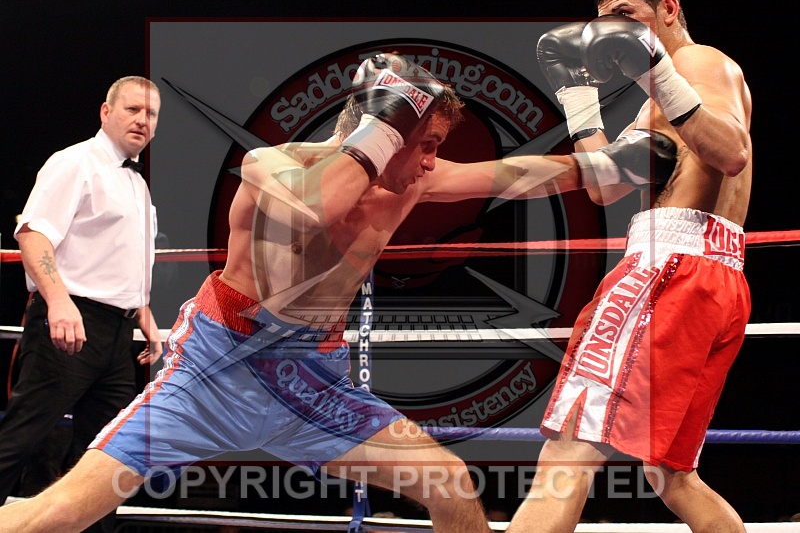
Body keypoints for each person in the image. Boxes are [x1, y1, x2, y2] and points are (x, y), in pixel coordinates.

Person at [0, 53, 676, 533]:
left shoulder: (414, 180)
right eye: (423, 142)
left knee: (451, 485)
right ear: (379, 130)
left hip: (312, 379)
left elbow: (517, 174)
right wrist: (383, 127)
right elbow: (313, 209)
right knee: (56, 516)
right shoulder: (270, 165)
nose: (433, 160)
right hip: (214, 370)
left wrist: (617, 160)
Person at [507, 0, 752, 532]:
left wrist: (659, 68)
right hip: (712, 273)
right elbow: (606, 186)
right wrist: (577, 95)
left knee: (567, 453)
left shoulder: (696, 62)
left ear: (668, 9)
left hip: (670, 268)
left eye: (625, 16)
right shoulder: (661, 97)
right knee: (672, 474)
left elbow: (732, 151)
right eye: (603, 25)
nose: (610, 34)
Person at [0, 76, 164, 531]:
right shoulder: (74, 163)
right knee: (24, 437)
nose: (142, 120)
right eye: (132, 109)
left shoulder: (136, 184)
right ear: (106, 112)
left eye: (150, 114)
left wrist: (144, 313)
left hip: (117, 336)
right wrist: (58, 301)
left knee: (107, 457)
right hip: (70, 323)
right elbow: (33, 235)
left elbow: (120, 260)